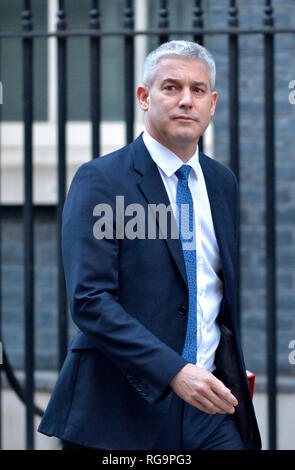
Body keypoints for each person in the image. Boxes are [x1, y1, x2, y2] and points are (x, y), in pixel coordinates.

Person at [38, 40, 261, 450]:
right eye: (171, 87)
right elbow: (90, 300)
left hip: (209, 414)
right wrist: (173, 370)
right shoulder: (101, 181)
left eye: (197, 91)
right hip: (123, 413)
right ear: (144, 97)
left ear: (212, 104)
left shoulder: (222, 183)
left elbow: (214, 292)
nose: (185, 101)